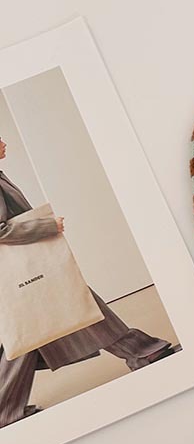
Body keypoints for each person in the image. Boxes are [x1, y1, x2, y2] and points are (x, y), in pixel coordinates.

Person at [0, 134, 176, 428]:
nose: (4, 142)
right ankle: (141, 352)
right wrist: (47, 227)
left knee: (37, 325)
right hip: (21, 271)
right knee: (32, 328)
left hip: (25, 271)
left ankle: (141, 351)